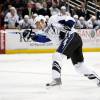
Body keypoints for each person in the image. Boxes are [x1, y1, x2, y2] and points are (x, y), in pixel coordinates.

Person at [46, 16, 100, 87]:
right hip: (75, 40)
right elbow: (44, 38)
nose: (39, 24)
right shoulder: (47, 31)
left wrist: (65, 29)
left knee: (57, 56)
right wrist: (32, 36)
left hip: (72, 36)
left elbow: (70, 20)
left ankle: (56, 79)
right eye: (37, 23)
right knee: (79, 66)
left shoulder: (54, 20)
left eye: (40, 22)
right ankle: (98, 81)